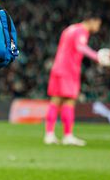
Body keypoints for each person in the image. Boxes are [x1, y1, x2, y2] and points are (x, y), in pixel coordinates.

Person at [44, 15, 104, 146]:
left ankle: (49, 134)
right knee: (69, 102)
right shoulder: (81, 31)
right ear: (92, 21)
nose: (98, 28)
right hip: (68, 70)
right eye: (98, 24)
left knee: (56, 101)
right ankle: (67, 135)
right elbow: (80, 47)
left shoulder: (70, 29)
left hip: (58, 67)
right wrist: (96, 56)